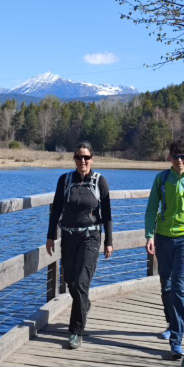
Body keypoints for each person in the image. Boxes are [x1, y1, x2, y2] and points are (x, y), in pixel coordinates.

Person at [46, 141, 113, 350]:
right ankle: (84, 305)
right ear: (74, 159)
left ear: (92, 159)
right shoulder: (65, 180)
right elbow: (56, 209)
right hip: (68, 237)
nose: (83, 161)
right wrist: (50, 236)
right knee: (71, 282)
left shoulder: (99, 181)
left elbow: (108, 214)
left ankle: (76, 332)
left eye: (86, 157)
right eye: (79, 157)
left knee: (82, 282)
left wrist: (109, 241)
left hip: (90, 238)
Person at [144, 139, 184, 360]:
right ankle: (172, 324)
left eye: (183, 156)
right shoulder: (162, 179)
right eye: (175, 156)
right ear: (169, 157)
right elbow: (152, 208)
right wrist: (149, 235)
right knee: (167, 287)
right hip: (163, 238)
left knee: (180, 289)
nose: (179, 160)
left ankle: (176, 340)